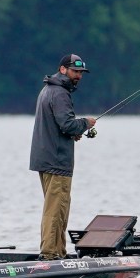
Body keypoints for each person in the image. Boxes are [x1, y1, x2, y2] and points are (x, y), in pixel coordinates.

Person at [29, 54, 97, 260]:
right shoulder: (60, 93)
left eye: (81, 73)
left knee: (58, 208)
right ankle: (50, 254)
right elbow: (67, 124)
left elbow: (58, 125)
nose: (78, 76)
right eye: (75, 71)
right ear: (62, 69)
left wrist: (72, 132)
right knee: (56, 209)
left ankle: (58, 251)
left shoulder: (48, 89)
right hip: (57, 161)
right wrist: (85, 123)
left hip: (46, 158)